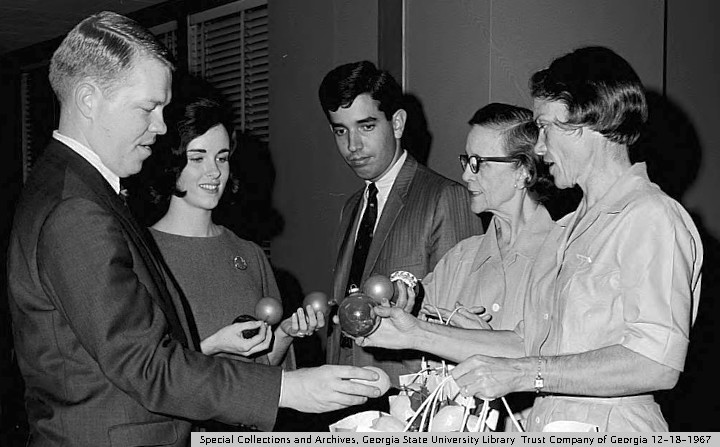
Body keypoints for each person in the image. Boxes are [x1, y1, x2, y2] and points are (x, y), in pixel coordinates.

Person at [6, 11, 380, 445]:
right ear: (89, 99)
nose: (161, 126)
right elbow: (147, 366)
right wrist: (290, 389)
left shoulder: (70, 187)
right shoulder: (76, 208)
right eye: (148, 108)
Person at [362, 46, 704, 432]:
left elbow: (655, 363)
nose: (539, 148)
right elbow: (527, 345)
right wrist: (417, 332)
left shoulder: (649, 216)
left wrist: (526, 374)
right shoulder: (570, 229)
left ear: (586, 123)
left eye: (545, 127)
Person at [136, 76, 322, 368]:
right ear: (172, 163)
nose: (214, 172)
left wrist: (284, 334)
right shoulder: (142, 255)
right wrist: (212, 346)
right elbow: (145, 371)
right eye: (197, 158)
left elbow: (263, 369)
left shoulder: (249, 254)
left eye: (221, 158)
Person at [318, 61, 483, 386]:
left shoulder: (445, 197)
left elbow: (459, 325)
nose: (353, 146)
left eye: (366, 127)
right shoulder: (352, 207)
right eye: (341, 130)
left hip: (410, 397)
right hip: (345, 390)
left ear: (397, 123)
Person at [420, 103, 557, 334]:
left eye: (478, 163)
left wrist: (483, 342)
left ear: (522, 171)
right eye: (467, 161)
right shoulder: (460, 258)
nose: (466, 175)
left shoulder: (562, 256)